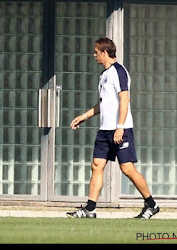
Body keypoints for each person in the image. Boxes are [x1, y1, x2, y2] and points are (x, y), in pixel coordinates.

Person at [66, 37, 159, 219]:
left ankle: (151, 204)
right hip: (104, 130)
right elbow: (104, 103)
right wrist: (84, 116)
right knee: (96, 165)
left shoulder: (119, 72)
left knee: (127, 168)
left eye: (96, 52)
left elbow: (125, 99)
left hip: (120, 130)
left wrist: (120, 127)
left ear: (105, 53)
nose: (94, 55)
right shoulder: (104, 74)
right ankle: (90, 209)